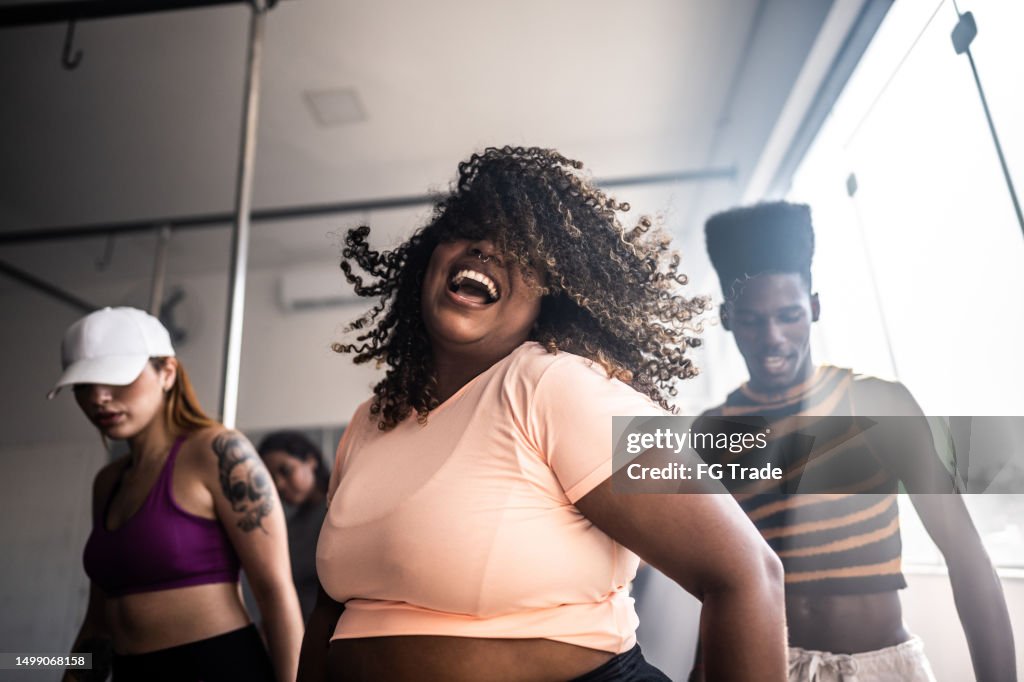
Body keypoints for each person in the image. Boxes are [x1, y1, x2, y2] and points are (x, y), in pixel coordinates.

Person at [297, 146, 788, 682]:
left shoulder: (554, 385)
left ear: (550, 296)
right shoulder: (371, 420)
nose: (487, 248)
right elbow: (329, 613)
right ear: (429, 260)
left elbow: (747, 575)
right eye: (469, 230)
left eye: (521, 249)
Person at [698, 202, 1016, 681]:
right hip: (768, 669)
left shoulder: (877, 403)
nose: (773, 337)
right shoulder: (711, 432)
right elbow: (719, 586)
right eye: (751, 320)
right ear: (725, 318)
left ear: (816, 308)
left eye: (789, 315)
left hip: (883, 668)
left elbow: (965, 552)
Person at [52, 306, 304, 682]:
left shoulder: (218, 451)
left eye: (114, 378)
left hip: (219, 667)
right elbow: (97, 625)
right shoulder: (107, 483)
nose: (98, 398)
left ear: (167, 372)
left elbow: (276, 595)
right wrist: (40, 667)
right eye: (83, 386)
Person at [259, 430, 330, 622]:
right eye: (271, 479)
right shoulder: (288, 528)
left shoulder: (338, 511)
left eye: (285, 470)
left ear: (310, 461)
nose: (280, 484)